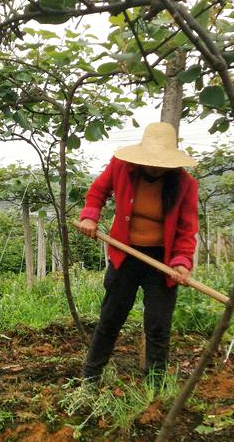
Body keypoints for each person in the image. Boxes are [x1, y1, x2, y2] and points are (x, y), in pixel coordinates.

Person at [77, 122, 199, 382]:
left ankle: (155, 384)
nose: (154, 167)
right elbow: (98, 191)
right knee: (111, 317)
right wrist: (90, 218)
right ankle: (90, 377)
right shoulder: (122, 167)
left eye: (161, 162)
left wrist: (181, 262)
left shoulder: (184, 184)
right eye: (151, 160)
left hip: (161, 260)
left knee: (158, 324)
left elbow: (187, 229)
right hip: (126, 255)